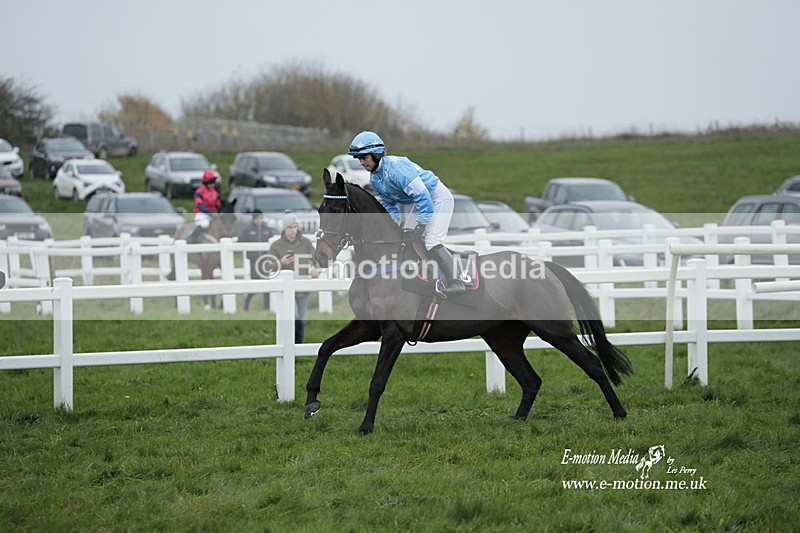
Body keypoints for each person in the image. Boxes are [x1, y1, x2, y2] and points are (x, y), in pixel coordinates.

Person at [348, 130, 465, 298]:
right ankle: (423, 274)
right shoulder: (375, 179)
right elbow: (389, 204)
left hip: (437, 197)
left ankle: (456, 281)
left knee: (431, 240)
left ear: (376, 154)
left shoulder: (396, 168)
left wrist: (422, 223)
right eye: (359, 158)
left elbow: (423, 195)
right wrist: (393, 225)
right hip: (421, 201)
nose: (361, 162)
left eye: (364, 157)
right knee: (407, 236)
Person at [269, 212, 318, 343]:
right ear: (284, 229)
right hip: (285, 291)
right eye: (290, 227)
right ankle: (288, 346)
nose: (293, 230)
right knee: (293, 317)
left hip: (303, 288)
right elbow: (268, 266)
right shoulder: (276, 246)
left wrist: (315, 269)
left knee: (301, 321)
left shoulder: (306, 243)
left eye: (295, 227)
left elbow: (317, 260)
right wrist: (281, 262)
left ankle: (298, 349)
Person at [238, 209, 276, 311]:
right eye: (258, 218)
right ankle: (246, 305)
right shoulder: (248, 229)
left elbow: (272, 241)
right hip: (254, 261)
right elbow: (240, 241)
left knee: (267, 284)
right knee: (255, 284)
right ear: (254, 219)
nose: (260, 220)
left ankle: (266, 307)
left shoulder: (266, 229)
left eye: (261, 218)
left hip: (265, 261)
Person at [188, 170, 221, 243]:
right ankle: (192, 237)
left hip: (212, 214)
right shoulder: (199, 192)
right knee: (204, 224)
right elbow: (199, 205)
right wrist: (208, 212)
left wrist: (218, 211)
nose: (212, 184)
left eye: (213, 182)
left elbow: (218, 204)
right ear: (205, 183)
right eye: (210, 182)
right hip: (201, 213)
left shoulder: (215, 193)